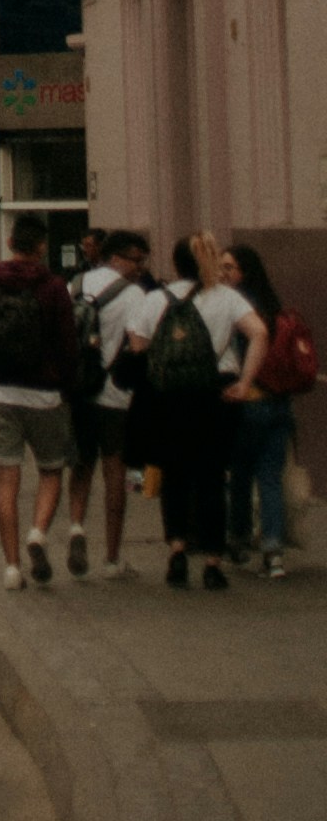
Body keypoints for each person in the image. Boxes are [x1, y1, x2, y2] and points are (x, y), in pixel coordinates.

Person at [0, 209, 79, 591]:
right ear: (42, 246)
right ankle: (38, 533)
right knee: (51, 470)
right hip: (45, 395)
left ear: (11, 243)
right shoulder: (53, 287)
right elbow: (67, 345)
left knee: (6, 481)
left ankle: (12, 568)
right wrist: (67, 385)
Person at [142, 238, 245, 588]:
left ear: (175, 262)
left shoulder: (157, 298)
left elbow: (138, 347)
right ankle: (214, 562)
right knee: (213, 479)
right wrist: (244, 382)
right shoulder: (228, 298)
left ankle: (177, 552)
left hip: (170, 399)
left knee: (175, 476)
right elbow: (259, 333)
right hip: (216, 394)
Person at [64, 227, 152, 578]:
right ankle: (113, 559)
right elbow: (139, 345)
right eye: (136, 260)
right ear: (116, 258)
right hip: (115, 395)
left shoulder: (75, 285)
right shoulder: (134, 296)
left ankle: (75, 528)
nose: (141, 268)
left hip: (78, 392)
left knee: (81, 465)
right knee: (114, 471)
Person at [219, 240, 299, 580]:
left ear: (244, 273)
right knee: (270, 477)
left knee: (239, 475)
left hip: (247, 403)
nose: (223, 274)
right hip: (279, 404)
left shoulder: (240, 311)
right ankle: (273, 551)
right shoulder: (276, 308)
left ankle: (237, 540)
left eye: (229, 268)